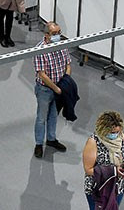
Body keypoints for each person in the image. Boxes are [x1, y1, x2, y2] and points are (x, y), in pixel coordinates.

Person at [32, 22, 71, 159]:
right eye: (54, 34)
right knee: (41, 117)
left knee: (53, 115)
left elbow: (68, 64)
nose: (58, 36)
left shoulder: (62, 45)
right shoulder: (40, 50)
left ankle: (51, 139)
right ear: (46, 35)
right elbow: (41, 74)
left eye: (59, 32)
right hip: (45, 89)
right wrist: (56, 88)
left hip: (59, 87)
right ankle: (38, 144)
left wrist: (66, 81)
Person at [83, 111, 124, 210]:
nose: (115, 134)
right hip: (98, 188)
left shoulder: (121, 136)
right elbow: (88, 169)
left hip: (117, 186)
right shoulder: (93, 142)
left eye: (117, 131)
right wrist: (113, 171)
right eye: (112, 132)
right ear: (103, 130)